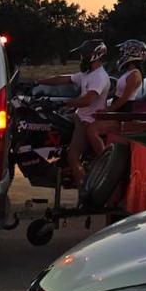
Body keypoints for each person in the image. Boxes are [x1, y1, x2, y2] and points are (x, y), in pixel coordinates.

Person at [38, 39, 111, 186]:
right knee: (52, 121)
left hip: (87, 121)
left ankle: (84, 189)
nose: (81, 57)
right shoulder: (87, 74)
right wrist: (38, 82)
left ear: (94, 55)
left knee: (73, 157)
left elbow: (88, 100)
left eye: (83, 54)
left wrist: (63, 102)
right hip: (79, 115)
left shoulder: (99, 77)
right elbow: (64, 79)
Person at [86, 40, 146, 154]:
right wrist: (98, 95)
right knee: (89, 121)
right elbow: (116, 91)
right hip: (117, 111)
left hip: (123, 114)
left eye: (123, 52)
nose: (121, 54)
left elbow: (124, 98)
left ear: (131, 53)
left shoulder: (135, 74)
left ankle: (103, 162)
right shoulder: (129, 72)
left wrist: (108, 111)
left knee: (92, 130)